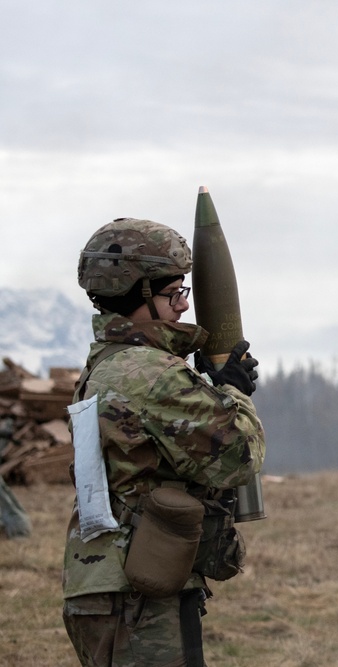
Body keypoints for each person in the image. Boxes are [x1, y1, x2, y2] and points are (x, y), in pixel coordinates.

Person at [63, 218, 265, 667]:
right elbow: (238, 456)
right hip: (139, 594)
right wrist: (233, 393)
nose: (182, 305)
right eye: (172, 292)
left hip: (105, 584)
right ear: (139, 294)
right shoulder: (148, 372)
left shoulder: (105, 365)